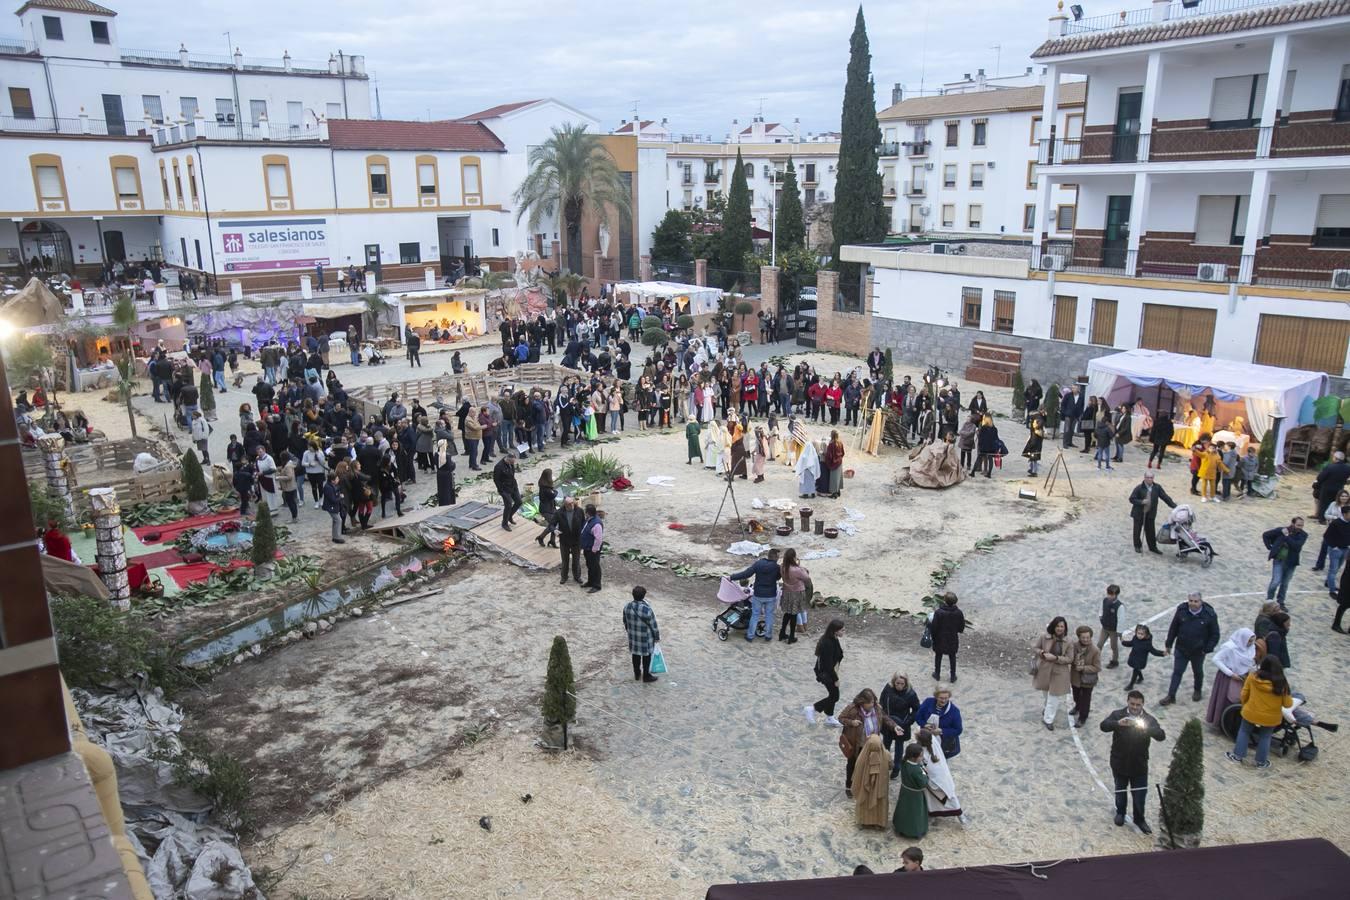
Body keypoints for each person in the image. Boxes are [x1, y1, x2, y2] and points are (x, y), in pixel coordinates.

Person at [1100, 691, 1165, 832]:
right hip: (1119, 762)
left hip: (1139, 765)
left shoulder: (1148, 719)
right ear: (1127, 702)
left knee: (1140, 795)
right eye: (1132, 704)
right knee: (1120, 790)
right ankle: (1120, 813)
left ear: (1143, 704)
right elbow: (1103, 726)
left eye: (1138, 704)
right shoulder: (1118, 715)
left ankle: (1139, 819)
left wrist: (1147, 729)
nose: (1135, 707)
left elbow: (1161, 736)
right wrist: (1117, 724)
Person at [1225, 656, 1293, 770]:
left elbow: (1243, 694)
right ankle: (1261, 762)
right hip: (1270, 717)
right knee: (1265, 737)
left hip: (1251, 712)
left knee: (1244, 731)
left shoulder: (1253, 677)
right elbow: (1287, 704)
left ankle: (1237, 756)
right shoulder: (1282, 683)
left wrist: (1246, 704)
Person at [837, 689, 901, 798]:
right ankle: (849, 787)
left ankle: (863, 785)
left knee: (867, 766)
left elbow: (885, 718)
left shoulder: (876, 708)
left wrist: (894, 726)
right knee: (852, 765)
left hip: (871, 744)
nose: (872, 704)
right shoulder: (852, 709)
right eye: (870, 702)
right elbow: (841, 718)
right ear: (862, 702)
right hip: (856, 744)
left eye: (873, 701)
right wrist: (851, 722)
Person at [1160, 591, 1221, 706]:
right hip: (1181, 648)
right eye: (1191, 601)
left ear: (1201, 601)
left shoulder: (1209, 615)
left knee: (1197, 672)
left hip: (1198, 651)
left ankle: (1197, 690)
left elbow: (1215, 634)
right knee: (1177, 672)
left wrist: (1207, 648)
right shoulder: (1182, 611)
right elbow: (1173, 628)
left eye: (1196, 601)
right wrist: (1169, 644)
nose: (1193, 604)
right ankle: (1171, 695)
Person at [1206, 627, 1257, 727]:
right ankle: (1222, 723)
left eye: (1252, 641)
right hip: (1228, 678)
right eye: (1249, 641)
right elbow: (1216, 659)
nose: (1250, 643)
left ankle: (1234, 724)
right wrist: (1231, 674)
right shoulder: (1230, 648)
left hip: (1243, 677)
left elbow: (1250, 661)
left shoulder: (1251, 648)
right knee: (1228, 699)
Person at [729, 550, 781, 643]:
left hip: (758, 594)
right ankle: (768, 636)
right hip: (771, 595)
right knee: (769, 615)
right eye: (778, 557)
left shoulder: (759, 563)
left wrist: (732, 577)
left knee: (755, 615)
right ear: (775, 557)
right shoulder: (777, 567)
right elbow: (778, 578)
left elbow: (746, 574)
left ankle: (750, 636)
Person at [1032, 616, 1073, 730]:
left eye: (1062, 626)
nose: (1060, 628)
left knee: (1054, 696)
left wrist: (1055, 658)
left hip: (1059, 672)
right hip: (1044, 670)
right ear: (1053, 626)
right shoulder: (1044, 637)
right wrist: (1042, 653)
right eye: (1058, 626)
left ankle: (1048, 720)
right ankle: (1047, 710)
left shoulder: (1068, 641)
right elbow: (1035, 648)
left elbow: (1070, 659)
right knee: (1046, 694)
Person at [915, 728, 962, 822]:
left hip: (935, 781)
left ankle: (959, 814)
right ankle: (933, 814)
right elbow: (928, 734)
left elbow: (922, 767)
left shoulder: (921, 753)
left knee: (948, 798)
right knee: (937, 798)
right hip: (941, 777)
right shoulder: (932, 740)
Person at [879, 673, 920, 779]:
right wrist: (884, 717)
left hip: (902, 723)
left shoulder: (910, 694)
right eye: (897, 683)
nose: (899, 686)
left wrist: (907, 722)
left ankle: (897, 767)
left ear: (906, 683)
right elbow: (881, 703)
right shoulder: (888, 689)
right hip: (888, 723)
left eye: (902, 683)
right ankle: (885, 764)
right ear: (894, 682)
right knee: (885, 745)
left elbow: (916, 709)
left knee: (899, 747)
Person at [1262, 517, 1307, 609]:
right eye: (1298, 525)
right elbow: (1265, 535)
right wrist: (1270, 547)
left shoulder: (1303, 535)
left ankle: (1281, 602)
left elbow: (1296, 546)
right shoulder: (1281, 530)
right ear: (1292, 523)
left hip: (1291, 562)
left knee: (1285, 583)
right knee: (1275, 582)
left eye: (1302, 525)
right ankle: (1269, 600)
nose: (1300, 527)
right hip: (1279, 560)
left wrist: (1287, 536)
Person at [807, 619, 845, 725]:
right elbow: (828, 666)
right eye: (842, 630)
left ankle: (829, 717)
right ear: (835, 630)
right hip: (826, 673)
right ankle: (812, 709)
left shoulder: (834, 638)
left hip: (831, 671)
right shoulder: (828, 643)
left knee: (832, 694)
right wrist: (836, 679)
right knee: (835, 696)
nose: (843, 632)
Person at [1129, 471, 1176, 554]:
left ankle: (1152, 547)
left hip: (1151, 513)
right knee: (1137, 530)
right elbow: (1132, 499)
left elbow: (1165, 497)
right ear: (1145, 478)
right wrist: (1141, 501)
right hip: (1139, 513)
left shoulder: (1157, 487)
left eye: (1151, 478)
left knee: (1151, 531)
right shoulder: (1139, 488)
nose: (1150, 479)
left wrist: (1174, 506)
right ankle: (1137, 545)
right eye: (1148, 477)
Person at [850, 734, 890, 828]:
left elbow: (857, 773)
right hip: (880, 789)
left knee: (864, 801)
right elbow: (890, 766)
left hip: (865, 788)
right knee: (880, 803)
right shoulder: (886, 755)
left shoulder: (862, 758)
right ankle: (879, 822)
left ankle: (864, 821)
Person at [623, 586, 661, 684]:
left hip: (633, 637)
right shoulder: (647, 609)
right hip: (645, 638)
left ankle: (637, 674)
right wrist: (656, 637)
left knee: (635, 655)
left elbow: (625, 621)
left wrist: (629, 631)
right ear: (644, 596)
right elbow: (654, 625)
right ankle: (646, 676)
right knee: (646, 656)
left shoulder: (627, 606)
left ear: (633, 595)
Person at [893, 744, 930, 839]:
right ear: (914, 757)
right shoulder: (916, 770)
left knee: (903, 810)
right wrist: (926, 774)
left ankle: (900, 827)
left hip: (905, 791)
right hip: (915, 796)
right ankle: (915, 831)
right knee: (914, 813)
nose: (922, 757)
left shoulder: (904, 762)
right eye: (920, 756)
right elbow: (923, 783)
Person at [915, 685, 962, 760]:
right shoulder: (928, 702)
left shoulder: (954, 711)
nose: (943, 701)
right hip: (925, 740)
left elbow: (958, 730)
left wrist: (941, 731)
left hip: (944, 744)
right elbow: (918, 717)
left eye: (946, 698)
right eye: (941, 698)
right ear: (936, 696)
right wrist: (924, 724)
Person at [1069, 625, 1102, 728]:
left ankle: (1083, 717)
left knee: (1086, 699)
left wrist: (1083, 668)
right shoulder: (1074, 646)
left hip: (1088, 680)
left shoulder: (1095, 650)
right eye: (1083, 637)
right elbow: (1070, 658)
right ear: (1079, 637)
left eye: (1088, 637)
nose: (1086, 639)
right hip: (1075, 678)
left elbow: (1097, 667)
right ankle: (1077, 706)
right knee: (1076, 695)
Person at [929, 591, 966, 682]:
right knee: (952, 657)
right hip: (952, 638)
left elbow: (934, 627)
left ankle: (937, 674)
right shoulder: (959, 613)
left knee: (938, 656)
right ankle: (953, 676)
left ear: (944, 600)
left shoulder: (939, 612)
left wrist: (933, 637)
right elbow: (961, 628)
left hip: (940, 638)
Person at [778, 548, 809, 643]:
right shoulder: (796, 570)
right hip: (797, 593)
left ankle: (782, 633)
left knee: (787, 613)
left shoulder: (782, 567)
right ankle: (791, 636)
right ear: (793, 557)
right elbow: (806, 578)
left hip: (787, 592)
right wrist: (801, 567)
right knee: (794, 614)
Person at [1314, 451, 1350, 522]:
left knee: (1324, 504)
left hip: (1327, 488)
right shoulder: (1347, 468)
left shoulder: (1330, 467)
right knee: (1336, 503)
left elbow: (1320, 478)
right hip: (1339, 488)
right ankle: (1335, 518)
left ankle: (1322, 519)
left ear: (1336, 458)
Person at [556, 496, 584, 586]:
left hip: (576, 540)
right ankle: (564, 576)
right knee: (565, 560)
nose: (571, 505)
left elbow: (583, 523)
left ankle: (577, 576)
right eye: (569, 504)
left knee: (576, 560)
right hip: (564, 540)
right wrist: (554, 530)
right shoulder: (559, 512)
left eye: (572, 503)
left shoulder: (579, 511)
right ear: (565, 504)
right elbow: (551, 524)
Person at [493, 453, 521, 530]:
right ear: (507, 459)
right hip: (504, 489)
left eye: (513, 462)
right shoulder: (499, 466)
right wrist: (501, 490)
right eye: (512, 462)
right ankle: (504, 523)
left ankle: (509, 516)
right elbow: (496, 479)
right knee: (508, 505)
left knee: (519, 502)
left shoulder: (511, 464)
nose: (513, 464)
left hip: (513, 486)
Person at [1098, 583, 1123, 669]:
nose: (1109, 596)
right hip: (1105, 628)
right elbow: (1101, 609)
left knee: (1114, 646)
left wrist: (1119, 632)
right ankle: (1095, 659)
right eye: (1108, 594)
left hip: (1113, 630)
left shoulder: (1119, 606)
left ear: (1116, 595)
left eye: (1111, 594)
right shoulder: (1105, 600)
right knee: (1099, 644)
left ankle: (1115, 661)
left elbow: (1121, 619)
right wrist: (1101, 617)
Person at [580, 504, 605, 593]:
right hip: (587, 548)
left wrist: (594, 549)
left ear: (587, 513)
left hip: (593, 549)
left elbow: (598, 539)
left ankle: (597, 585)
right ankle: (590, 582)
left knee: (595, 567)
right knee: (590, 566)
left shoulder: (596, 524)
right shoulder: (589, 520)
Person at [534, 469, 558, 548]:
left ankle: (551, 540)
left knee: (553, 524)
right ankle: (542, 538)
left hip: (551, 508)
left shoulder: (544, 485)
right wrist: (555, 491)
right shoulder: (546, 488)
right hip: (546, 510)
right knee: (553, 525)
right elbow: (553, 494)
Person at [321, 471, 345, 544]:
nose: (338, 480)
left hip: (333, 506)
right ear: (332, 480)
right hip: (331, 507)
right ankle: (337, 537)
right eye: (337, 479)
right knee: (338, 520)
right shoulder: (328, 487)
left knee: (336, 521)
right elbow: (333, 500)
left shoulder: (331, 485)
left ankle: (335, 537)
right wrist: (340, 497)